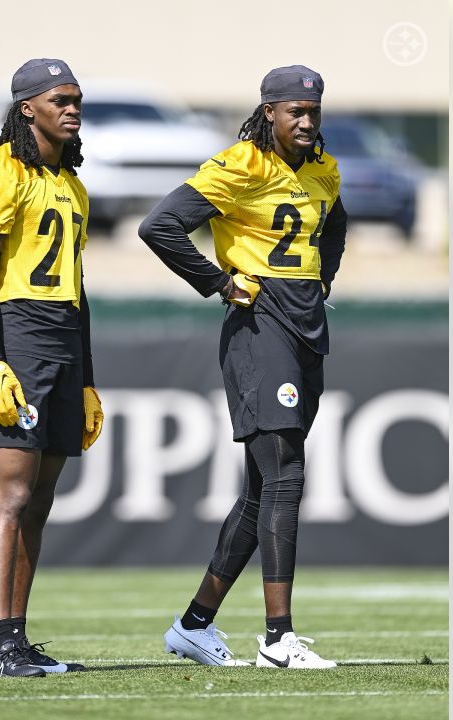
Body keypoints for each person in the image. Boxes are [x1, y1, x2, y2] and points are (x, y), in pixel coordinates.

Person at [138, 65, 348, 669]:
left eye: (313, 112)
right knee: (286, 476)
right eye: (295, 112)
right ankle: (278, 638)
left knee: (262, 493)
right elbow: (162, 225)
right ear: (269, 112)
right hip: (260, 330)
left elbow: (334, 225)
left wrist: (321, 279)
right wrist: (218, 282)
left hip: (308, 328)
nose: (306, 122)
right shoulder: (241, 165)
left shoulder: (323, 171)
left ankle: (193, 624)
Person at [0, 58, 104, 678]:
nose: (72, 108)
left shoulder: (71, 184)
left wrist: (89, 374)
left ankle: (19, 637)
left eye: (76, 99)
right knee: (11, 495)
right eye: (60, 99)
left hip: (64, 337)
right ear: (27, 108)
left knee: (41, 500)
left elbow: (78, 286)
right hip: (20, 333)